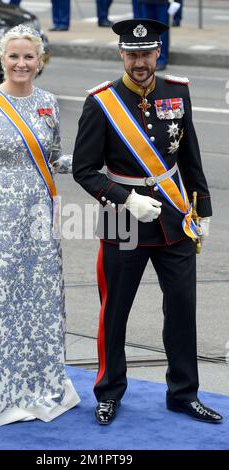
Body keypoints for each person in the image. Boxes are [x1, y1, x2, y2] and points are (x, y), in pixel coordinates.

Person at [73, 19, 223, 425]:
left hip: (174, 220)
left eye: (146, 53)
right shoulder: (101, 102)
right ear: (122, 54)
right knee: (114, 312)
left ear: (158, 53)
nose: (140, 62)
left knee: (181, 310)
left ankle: (183, 393)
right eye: (132, 54)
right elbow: (84, 170)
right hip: (123, 222)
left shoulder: (178, 92)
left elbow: (189, 154)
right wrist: (126, 199)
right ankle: (109, 391)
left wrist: (203, 210)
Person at [0, 24, 80, 433]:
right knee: (1, 305)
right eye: (14, 56)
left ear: (40, 61)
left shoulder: (48, 104)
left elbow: (54, 158)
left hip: (39, 221)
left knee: (41, 306)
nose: (21, 63)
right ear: (2, 60)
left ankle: (40, 389)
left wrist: (92, 161)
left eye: (29, 56)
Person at [137, 0, 171, 70]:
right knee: (147, 31)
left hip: (163, 2)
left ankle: (161, 58)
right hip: (145, 2)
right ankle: (148, 58)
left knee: (162, 30)